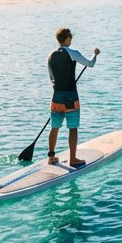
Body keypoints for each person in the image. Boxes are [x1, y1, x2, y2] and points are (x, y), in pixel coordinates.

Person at [46, 27, 100, 167]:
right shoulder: (73, 53)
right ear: (68, 39)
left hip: (56, 96)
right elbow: (90, 64)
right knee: (73, 128)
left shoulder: (50, 56)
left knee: (54, 127)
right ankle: (73, 159)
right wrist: (95, 54)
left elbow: (51, 77)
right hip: (71, 96)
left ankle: (51, 157)